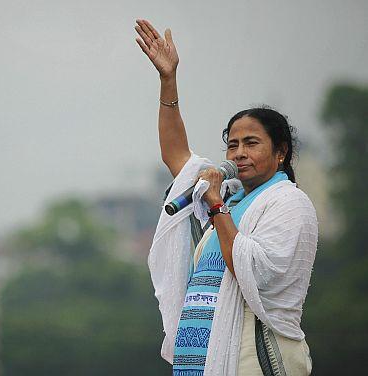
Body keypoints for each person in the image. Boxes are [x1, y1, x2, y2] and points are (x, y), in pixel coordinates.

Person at [134, 19, 318, 376]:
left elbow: (258, 273)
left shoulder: (287, 203)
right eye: (232, 145)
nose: (238, 153)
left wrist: (216, 206)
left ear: (280, 152)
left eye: (251, 143)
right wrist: (167, 79)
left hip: (252, 356)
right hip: (202, 358)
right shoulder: (231, 198)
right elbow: (176, 155)